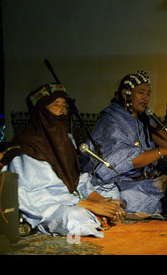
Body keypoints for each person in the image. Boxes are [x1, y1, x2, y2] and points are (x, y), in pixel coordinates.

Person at [81, 71, 167, 220]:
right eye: (141, 93)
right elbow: (126, 160)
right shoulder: (112, 120)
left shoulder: (143, 119)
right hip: (119, 182)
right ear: (126, 94)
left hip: (146, 179)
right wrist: (164, 152)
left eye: (148, 94)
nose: (146, 98)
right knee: (132, 199)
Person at [4, 83, 126, 238]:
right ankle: (95, 216)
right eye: (56, 105)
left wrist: (102, 200)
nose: (62, 111)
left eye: (64, 106)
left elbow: (76, 180)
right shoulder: (27, 145)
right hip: (44, 206)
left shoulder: (66, 140)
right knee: (75, 218)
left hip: (72, 198)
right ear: (42, 110)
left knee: (112, 193)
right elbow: (42, 194)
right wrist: (93, 206)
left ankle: (98, 214)